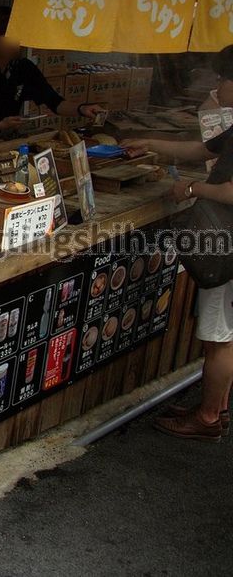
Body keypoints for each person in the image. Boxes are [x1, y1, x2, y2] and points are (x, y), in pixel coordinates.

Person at [122, 45, 233, 441]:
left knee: (220, 337)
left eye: (223, 80)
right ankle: (214, 409)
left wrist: (191, 186)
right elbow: (203, 149)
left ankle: (206, 419)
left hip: (227, 246)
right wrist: (150, 142)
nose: (217, 87)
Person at [0, 6, 105, 137]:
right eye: (8, 36)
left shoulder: (23, 68)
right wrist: (0, 125)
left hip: (1, 141)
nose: (15, 41)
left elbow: (55, 102)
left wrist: (82, 109)